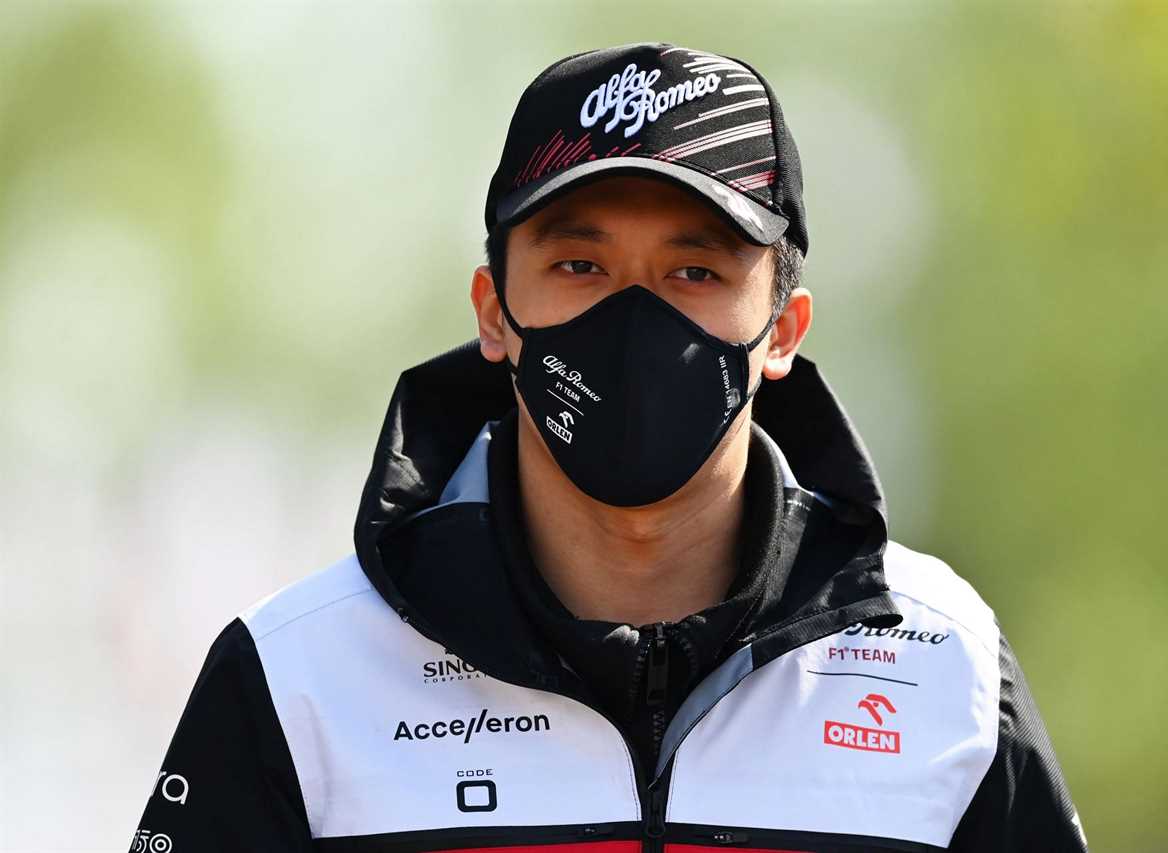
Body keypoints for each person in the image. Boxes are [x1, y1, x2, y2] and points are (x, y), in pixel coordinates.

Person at [129, 43, 1087, 853]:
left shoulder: (941, 667)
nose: (636, 317)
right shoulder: (303, 679)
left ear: (784, 330)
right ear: (494, 311)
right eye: (580, 264)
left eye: (695, 268)